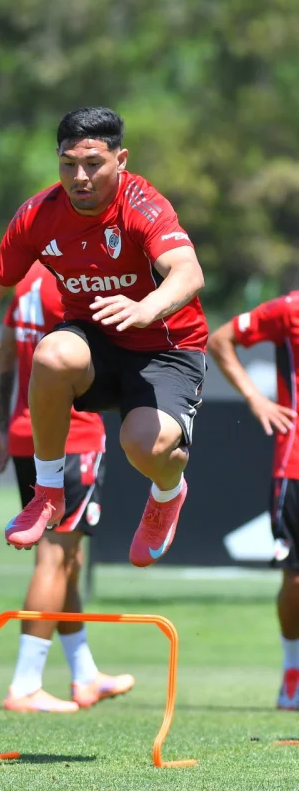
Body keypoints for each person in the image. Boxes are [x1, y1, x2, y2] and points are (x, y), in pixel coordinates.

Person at [0, 106, 208, 568]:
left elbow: (188, 272)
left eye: (93, 163)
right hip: (94, 342)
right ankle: (47, 493)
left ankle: (168, 492)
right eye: (68, 164)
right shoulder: (39, 214)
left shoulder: (143, 205)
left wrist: (144, 309)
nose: (79, 177)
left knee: (146, 447)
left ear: (121, 160)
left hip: (166, 348)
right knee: (52, 353)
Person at [0, 261, 134, 712]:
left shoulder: (27, 281)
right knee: (56, 556)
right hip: (71, 437)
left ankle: (85, 675)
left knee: (69, 556)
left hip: (27, 433)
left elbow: (3, 354)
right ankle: (25, 685)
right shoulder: (73, 282)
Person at [208, 293, 299, 710]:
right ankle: (293, 674)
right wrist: (256, 398)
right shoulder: (289, 309)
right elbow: (219, 340)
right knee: (296, 577)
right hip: (295, 465)